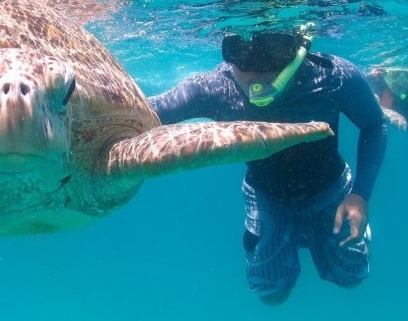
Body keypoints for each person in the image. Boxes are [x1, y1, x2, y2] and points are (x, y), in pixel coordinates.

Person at [148, 27, 387, 305]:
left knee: (351, 279)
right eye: (240, 53)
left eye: (274, 50)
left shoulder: (332, 75)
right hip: (266, 195)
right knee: (272, 295)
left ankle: (306, 234)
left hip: (332, 190)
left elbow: (375, 124)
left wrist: (361, 195)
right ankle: (290, 233)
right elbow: (150, 111)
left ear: (299, 48)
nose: (256, 73)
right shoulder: (216, 86)